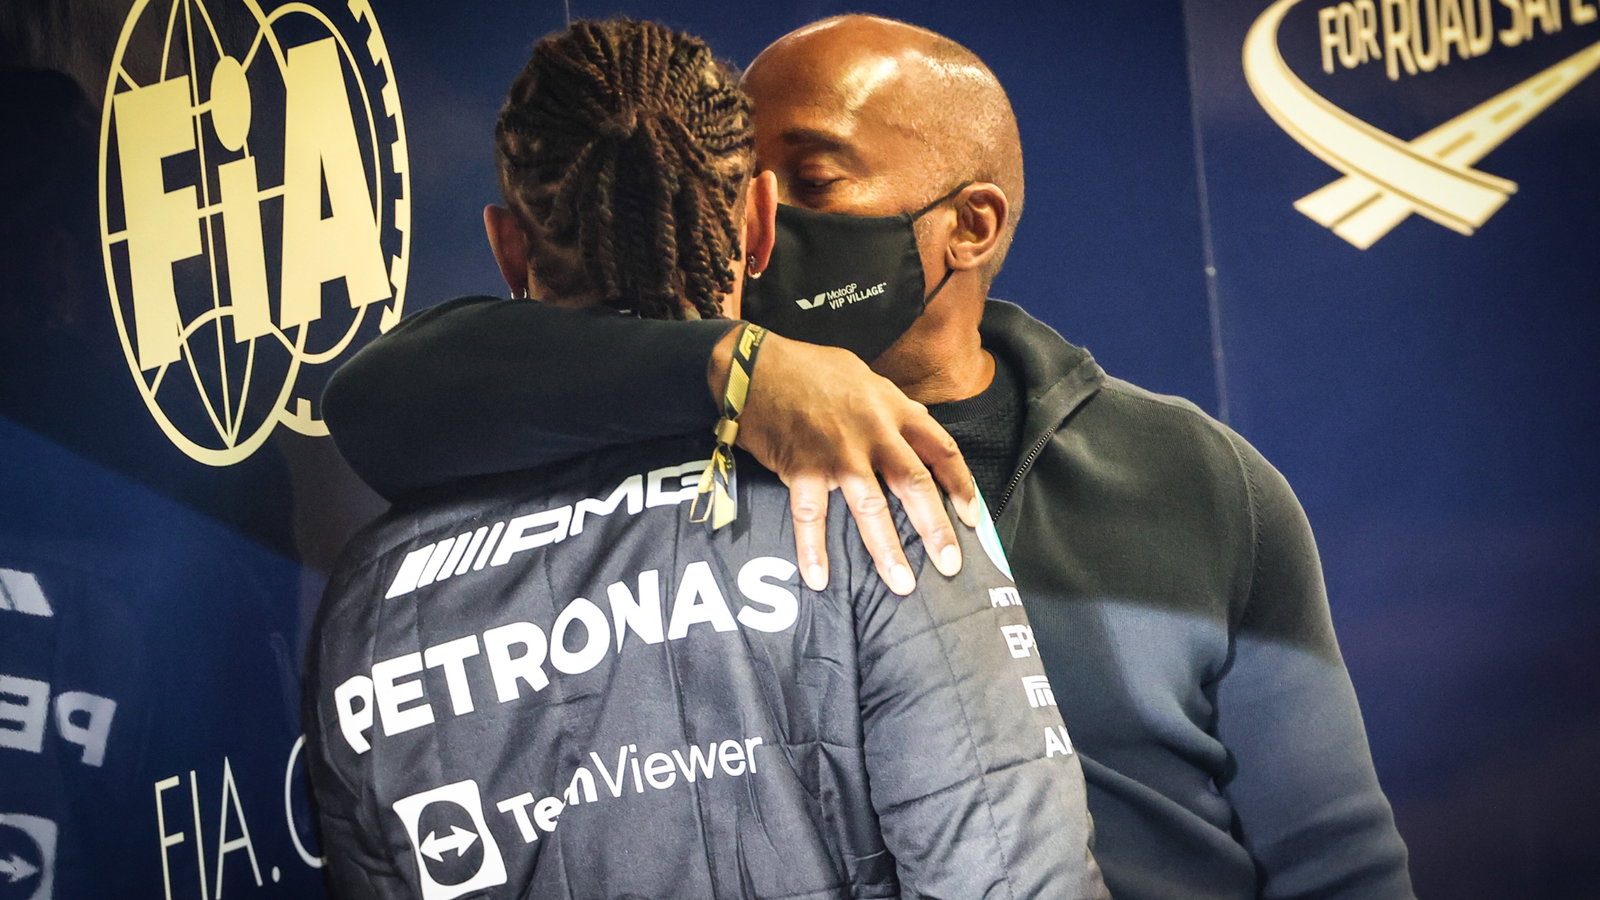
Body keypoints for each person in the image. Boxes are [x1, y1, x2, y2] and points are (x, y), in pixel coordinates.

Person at [323, 13, 1417, 899]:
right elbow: (383, 393)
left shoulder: (1193, 476)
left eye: (815, 179)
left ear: (969, 225)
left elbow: (1337, 858)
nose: (753, 218)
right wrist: (733, 366)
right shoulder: (674, 436)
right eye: (741, 178)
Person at [303, 17, 1105, 900]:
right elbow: (1015, 880)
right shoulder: (875, 493)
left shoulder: (369, 597)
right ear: (759, 223)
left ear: (507, 247)